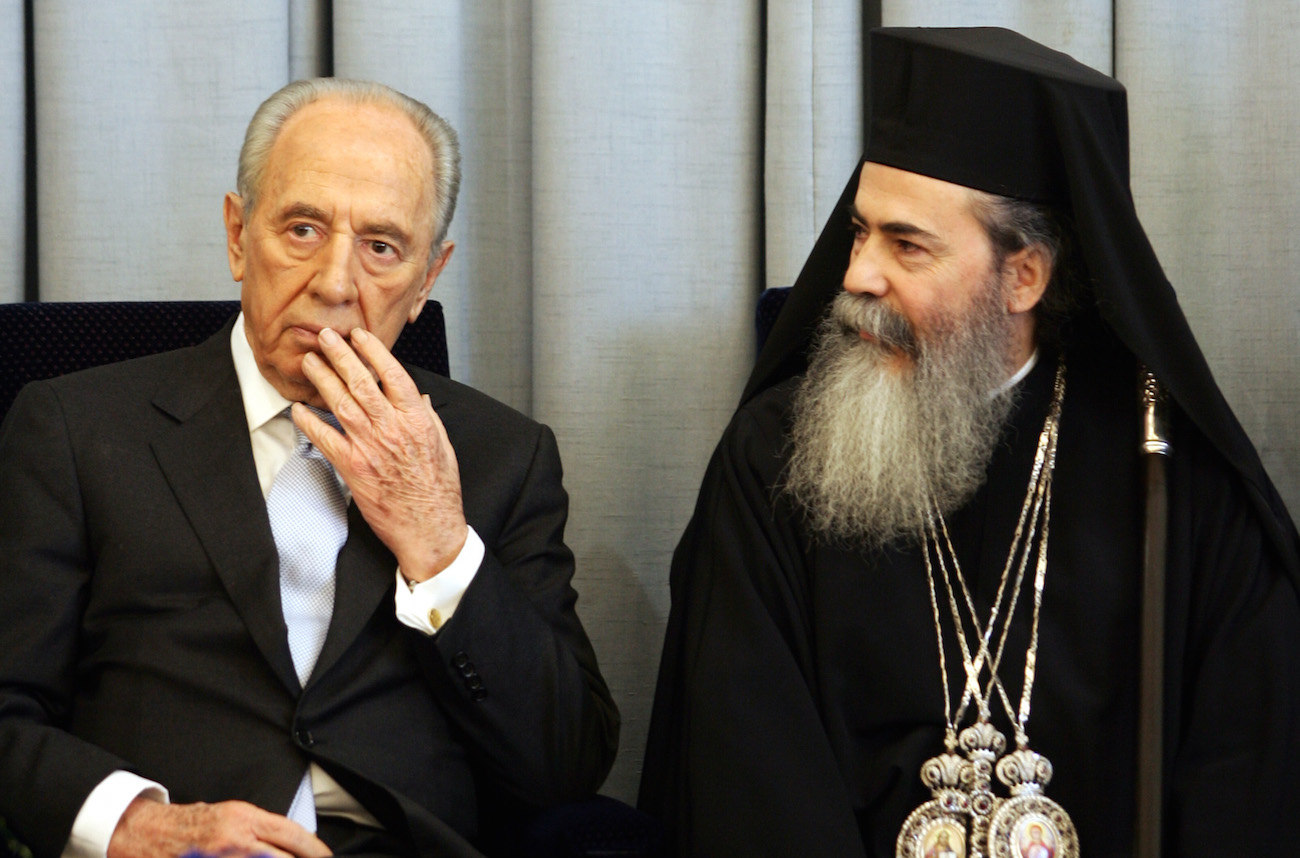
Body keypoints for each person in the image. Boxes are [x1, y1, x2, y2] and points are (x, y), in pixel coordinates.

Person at [639, 27, 1300, 857]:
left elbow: (1244, 779)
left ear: (1024, 276)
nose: (857, 276)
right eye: (858, 231)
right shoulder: (774, 461)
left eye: (906, 244)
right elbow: (746, 773)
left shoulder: (1170, 472)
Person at [0, 79, 618, 858]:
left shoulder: (502, 456)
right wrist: (138, 824)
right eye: (301, 229)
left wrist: (439, 546)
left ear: (428, 277)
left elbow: (565, 766)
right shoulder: (74, 428)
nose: (333, 283)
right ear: (236, 234)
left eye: (382, 247)